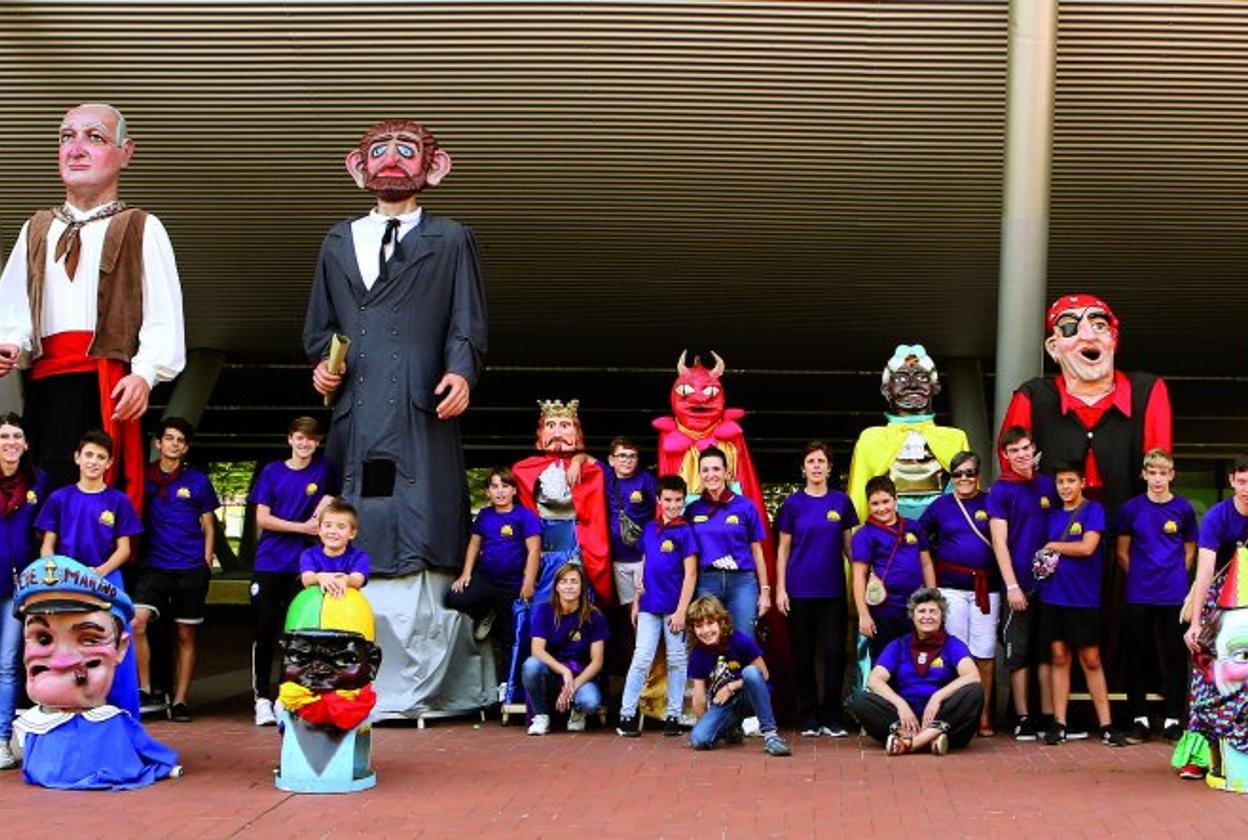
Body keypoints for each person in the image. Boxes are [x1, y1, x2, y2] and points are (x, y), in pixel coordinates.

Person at [303, 119, 488, 719]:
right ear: (356, 167)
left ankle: (423, 683)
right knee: (362, 508)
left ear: (435, 167)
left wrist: (461, 371)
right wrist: (322, 366)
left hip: (419, 406)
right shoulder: (338, 240)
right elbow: (321, 326)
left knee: (418, 515)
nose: (391, 160)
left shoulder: (451, 239)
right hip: (358, 411)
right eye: (378, 151)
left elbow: (466, 317)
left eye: (406, 151)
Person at [0, 103, 185, 512]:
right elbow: (12, 309)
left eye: (94, 137)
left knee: (100, 497)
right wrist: (11, 342)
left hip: (109, 387)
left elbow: (163, 316)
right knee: (41, 493)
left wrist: (145, 374)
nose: (76, 148)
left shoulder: (142, 227)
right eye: (67, 137)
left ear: (125, 152)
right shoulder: (36, 229)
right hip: (46, 387)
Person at [998, 294, 1171, 526]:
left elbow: (1159, 463)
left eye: (1099, 325)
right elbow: (1012, 464)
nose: (1088, 336)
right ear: (1053, 347)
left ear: (1113, 339)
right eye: (1070, 328)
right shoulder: (1033, 395)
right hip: (1052, 526)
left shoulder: (1147, 391)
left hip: (1128, 528)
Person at [10, 555, 180, 790]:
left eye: (89, 639)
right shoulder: (39, 725)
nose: (61, 661)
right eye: (43, 639)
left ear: (120, 647)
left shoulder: (112, 723)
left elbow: (141, 744)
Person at [35, 430, 143, 718]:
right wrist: (57, 573)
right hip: (68, 584)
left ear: (109, 463)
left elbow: (124, 549)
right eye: (89, 455)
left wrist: (99, 573)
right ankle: (68, 715)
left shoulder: (118, 500)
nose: (94, 461)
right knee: (67, 647)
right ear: (77, 458)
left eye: (101, 457)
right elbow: (47, 546)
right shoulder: (59, 498)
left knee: (117, 647)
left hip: (108, 582)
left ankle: (125, 719)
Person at [248, 416, 337, 726]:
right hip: (269, 562)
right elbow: (263, 518)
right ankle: (262, 699)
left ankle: (287, 698)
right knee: (265, 630)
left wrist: (316, 520)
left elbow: (329, 499)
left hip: (304, 566)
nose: (304, 444)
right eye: (299, 437)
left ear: (317, 442)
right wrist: (302, 527)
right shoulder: (272, 471)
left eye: (310, 439)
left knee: (298, 633)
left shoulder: (324, 470)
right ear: (290, 439)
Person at [131, 417, 219, 723]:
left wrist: (206, 561)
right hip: (154, 565)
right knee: (137, 622)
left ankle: (180, 700)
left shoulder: (198, 480)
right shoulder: (143, 476)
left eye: (180, 440)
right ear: (158, 443)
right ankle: (144, 688)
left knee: (185, 633)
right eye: (169, 438)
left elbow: (209, 525)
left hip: (190, 567)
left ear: (186, 447)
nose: (174, 444)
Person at [1037, 461, 1128, 746]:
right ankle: (1059, 723)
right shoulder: (1051, 516)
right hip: (1052, 596)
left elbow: (1088, 547)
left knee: (1091, 659)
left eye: (1070, 481)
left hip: (1084, 598)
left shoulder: (1093, 510)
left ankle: (1107, 725)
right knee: (1059, 657)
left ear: (1082, 482)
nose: (1065, 487)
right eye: (1060, 482)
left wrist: (1053, 545)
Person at [774, 441, 858, 737]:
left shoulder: (841, 502)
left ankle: (832, 715)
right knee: (803, 655)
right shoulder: (792, 505)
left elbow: (850, 549)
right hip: (798, 591)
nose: (816, 466)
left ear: (830, 467)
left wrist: (867, 580)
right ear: (803, 469)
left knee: (835, 653)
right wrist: (780, 589)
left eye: (821, 461)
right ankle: (809, 716)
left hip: (832, 591)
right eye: (811, 461)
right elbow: (783, 551)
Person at [1172, 454, 1248, 780]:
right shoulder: (1218, 516)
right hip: (1219, 602)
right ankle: (1199, 756)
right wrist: (1196, 623)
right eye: (1242, 481)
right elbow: (1204, 571)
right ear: (1232, 481)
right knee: (1206, 679)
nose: (1247, 489)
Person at [1115, 449, 1197, 744]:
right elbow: (1122, 552)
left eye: (1163, 473)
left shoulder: (1183, 508)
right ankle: (1139, 718)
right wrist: (1141, 576)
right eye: (1153, 473)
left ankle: (1174, 719)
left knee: (1175, 655)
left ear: (1172, 475)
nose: (1158, 478)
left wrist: (1174, 576)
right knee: (1138, 654)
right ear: (1144, 475)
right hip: (1139, 592)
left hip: (1174, 593)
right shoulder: (1131, 509)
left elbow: (1190, 550)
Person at [846, 588, 984, 755]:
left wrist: (937, 697)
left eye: (933, 611)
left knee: (975, 691)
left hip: (943, 715)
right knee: (859, 699)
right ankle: (929, 739)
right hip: (905, 718)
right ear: (913, 616)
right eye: (921, 611)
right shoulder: (899, 645)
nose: (927, 616)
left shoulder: (952, 645)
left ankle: (911, 742)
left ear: (942, 616)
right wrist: (900, 705)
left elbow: (972, 676)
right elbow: (874, 679)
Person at [919, 450, 999, 736]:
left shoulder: (991, 501)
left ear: (978, 475)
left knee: (985, 653)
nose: (964, 478)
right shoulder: (940, 506)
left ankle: (983, 713)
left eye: (969, 473)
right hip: (950, 588)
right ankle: (956, 713)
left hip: (986, 589)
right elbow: (918, 534)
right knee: (955, 652)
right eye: (958, 474)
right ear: (950, 478)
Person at [988, 426, 1057, 740]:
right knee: (1018, 654)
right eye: (1014, 450)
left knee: (1047, 651)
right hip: (1019, 585)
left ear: (1034, 448)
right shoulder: (1000, 491)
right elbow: (999, 542)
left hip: (1051, 585)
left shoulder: (1049, 485)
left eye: (1025, 448)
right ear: (1005, 455)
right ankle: (1022, 717)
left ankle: (1049, 717)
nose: (1021, 455)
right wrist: (1012, 585)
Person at [847, 344, 969, 522]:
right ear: (886, 389)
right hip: (888, 522)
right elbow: (859, 495)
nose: (912, 385)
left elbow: (967, 493)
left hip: (939, 522)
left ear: (935, 387)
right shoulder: (871, 438)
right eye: (902, 379)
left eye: (922, 377)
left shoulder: (954, 438)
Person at [617, 474, 698, 738]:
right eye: (668, 500)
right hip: (649, 605)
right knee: (642, 658)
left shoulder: (686, 531)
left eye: (678, 500)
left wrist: (682, 611)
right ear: (658, 500)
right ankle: (626, 714)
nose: (673, 505)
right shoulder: (650, 528)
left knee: (676, 660)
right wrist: (636, 601)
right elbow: (644, 562)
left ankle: (673, 715)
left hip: (674, 607)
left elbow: (691, 574)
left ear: (684, 501)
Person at [513, 400, 612, 603]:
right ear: (541, 433)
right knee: (544, 590)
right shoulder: (523, 469)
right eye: (551, 425)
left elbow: (610, 472)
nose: (557, 432)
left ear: (577, 432)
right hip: (543, 538)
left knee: (576, 588)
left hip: (577, 538)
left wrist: (578, 459)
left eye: (564, 425)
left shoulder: (590, 470)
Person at [446, 466, 540, 667]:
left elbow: (534, 551)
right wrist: (466, 573)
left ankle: (507, 682)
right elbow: (474, 544)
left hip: (512, 584)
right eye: (494, 487)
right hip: (486, 578)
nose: (500, 491)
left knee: (509, 635)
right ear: (487, 492)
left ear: (514, 490)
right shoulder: (485, 515)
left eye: (505, 486)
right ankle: (487, 613)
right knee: (455, 597)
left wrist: (529, 582)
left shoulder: (525, 515)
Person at [685, 595, 791, 757]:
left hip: (750, 695)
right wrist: (703, 724)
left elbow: (764, 674)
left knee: (750, 672)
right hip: (725, 703)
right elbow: (698, 695)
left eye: (710, 623)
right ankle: (732, 728)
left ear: (721, 622)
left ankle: (771, 736)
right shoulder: (698, 653)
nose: (705, 631)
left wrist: (731, 687)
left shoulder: (739, 640)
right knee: (699, 740)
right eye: (699, 626)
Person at [0, 414, 47, 770]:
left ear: (26, 444)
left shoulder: (38, 482)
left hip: (16, 588)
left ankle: (1, 740)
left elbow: (46, 533)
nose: (10, 442)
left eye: (17, 436)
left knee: (8, 664)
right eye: (3, 436)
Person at [687, 447, 770, 638]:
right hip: (707, 582)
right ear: (699, 474)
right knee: (709, 640)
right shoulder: (692, 510)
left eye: (716, 469)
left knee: (743, 639)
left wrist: (765, 591)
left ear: (726, 472)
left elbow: (757, 551)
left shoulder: (746, 506)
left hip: (742, 582)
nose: (711, 475)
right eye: (705, 470)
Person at [851, 475, 935, 660]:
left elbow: (926, 564)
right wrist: (863, 615)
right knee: (886, 662)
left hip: (916, 609)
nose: (881, 508)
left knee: (917, 661)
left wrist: (933, 601)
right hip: (884, 611)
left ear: (896, 499)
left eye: (886, 501)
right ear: (868, 505)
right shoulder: (864, 535)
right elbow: (859, 576)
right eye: (875, 504)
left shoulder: (914, 527)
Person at [521, 563, 608, 735]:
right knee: (531, 665)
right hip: (552, 675)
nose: (569, 586)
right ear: (557, 587)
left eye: (574, 581)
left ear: (582, 586)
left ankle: (577, 712)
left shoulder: (594, 616)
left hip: (580, 676)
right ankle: (541, 716)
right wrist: (564, 671)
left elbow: (597, 662)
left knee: (590, 702)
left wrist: (572, 685)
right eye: (564, 581)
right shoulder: (544, 610)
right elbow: (537, 650)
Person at [300, 500, 370, 596]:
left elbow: (358, 580)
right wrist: (320, 577)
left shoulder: (359, 557)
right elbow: (306, 579)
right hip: (315, 603)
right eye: (328, 525)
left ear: (352, 533)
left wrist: (346, 579)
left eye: (341, 527)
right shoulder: (309, 555)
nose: (333, 531)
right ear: (319, 530)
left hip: (347, 603)